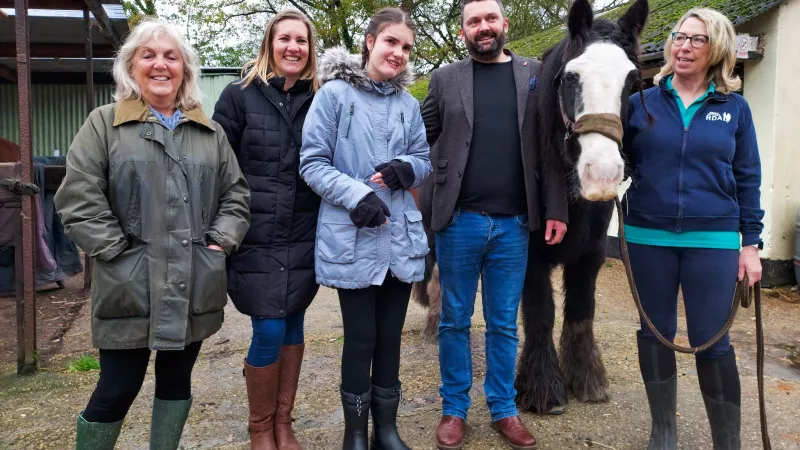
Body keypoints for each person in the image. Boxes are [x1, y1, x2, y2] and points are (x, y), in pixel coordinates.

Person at [54, 18, 250, 450]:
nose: (160, 64)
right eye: (149, 55)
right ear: (131, 66)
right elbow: (78, 198)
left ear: (185, 69)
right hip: (130, 286)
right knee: (116, 388)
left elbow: (235, 196)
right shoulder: (103, 125)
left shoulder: (210, 134)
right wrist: (116, 252)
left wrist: (218, 243)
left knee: (177, 382)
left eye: (171, 56)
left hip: (194, 281)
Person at [420, 0, 568, 448]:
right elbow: (417, 133)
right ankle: (454, 409)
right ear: (463, 30)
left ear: (504, 25)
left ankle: (503, 409)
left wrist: (557, 208)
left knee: (503, 324)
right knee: (454, 321)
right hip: (458, 221)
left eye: (489, 19)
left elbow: (550, 146)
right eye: (473, 21)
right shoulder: (445, 79)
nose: (482, 27)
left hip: (514, 225)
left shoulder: (534, 75)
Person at [622, 8, 763, 450]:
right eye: (679, 37)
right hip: (647, 236)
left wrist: (751, 244)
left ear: (716, 48)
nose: (683, 46)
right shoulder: (639, 104)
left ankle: (728, 443)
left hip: (715, 239)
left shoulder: (734, 109)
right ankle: (663, 431)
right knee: (654, 333)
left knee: (713, 341)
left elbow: (748, 177)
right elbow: (616, 160)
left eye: (696, 40)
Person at [299, 7, 431, 449]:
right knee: (360, 339)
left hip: (398, 237)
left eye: (407, 47)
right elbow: (312, 163)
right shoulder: (333, 95)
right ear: (370, 40)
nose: (398, 53)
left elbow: (425, 160)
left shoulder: (409, 105)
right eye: (391, 41)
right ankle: (354, 434)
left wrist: (404, 169)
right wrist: (357, 195)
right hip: (353, 237)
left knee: (390, 338)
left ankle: (386, 431)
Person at [211, 9, 320, 450]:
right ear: (269, 45)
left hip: (304, 232)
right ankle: (260, 426)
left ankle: (283, 422)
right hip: (255, 234)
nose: (293, 47)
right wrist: (219, 230)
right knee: (269, 330)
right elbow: (218, 166)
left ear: (311, 49)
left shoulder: (321, 97)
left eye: (302, 40)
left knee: (293, 326)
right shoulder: (237, 96)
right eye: (285, 39)